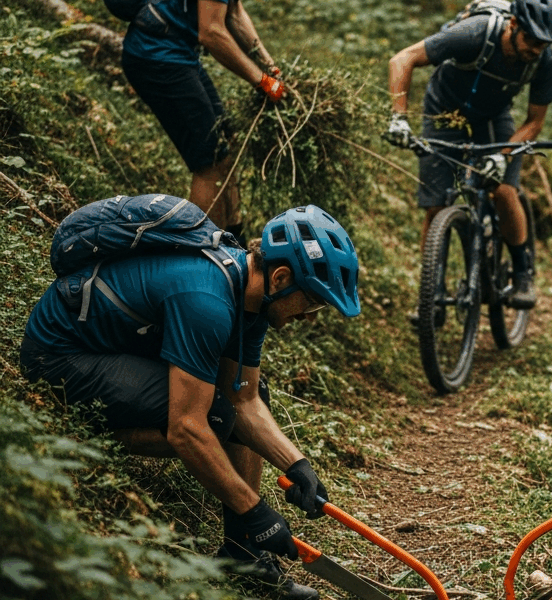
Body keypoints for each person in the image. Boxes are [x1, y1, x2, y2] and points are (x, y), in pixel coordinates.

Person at [20, 203, 362, 600]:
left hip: (116, 351)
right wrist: (255, 511)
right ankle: (85, 435)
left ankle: (242, 556)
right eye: (313, 302)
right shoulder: (207, 299)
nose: (310, 317)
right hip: (61, 356)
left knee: (235, 403)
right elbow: (188, 428)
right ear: (281, 277)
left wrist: (296, 463)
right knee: (212, 422)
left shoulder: (250, 302)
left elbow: (246, 398)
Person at [384, 0, 552, 310]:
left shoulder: (544, 61)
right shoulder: (473, 33)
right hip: (444, 112)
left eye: (546, 43)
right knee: (436, 205)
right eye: (533, 40)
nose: (539, 49)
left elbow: (534, 122)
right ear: (513, 25)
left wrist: (503, 155)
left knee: (503, 190)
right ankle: (430, 292)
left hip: (493, 118)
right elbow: (402, 59)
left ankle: (523, 273)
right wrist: (398, 118)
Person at [120, 0, 287, 235]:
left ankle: (234, 237)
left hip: (179, 52)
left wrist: (271, 69)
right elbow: (211, 33)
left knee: (226, 142)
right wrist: (262, 82)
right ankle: (202, 249)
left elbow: (235, 13)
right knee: (210, 160)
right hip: (157, 57)